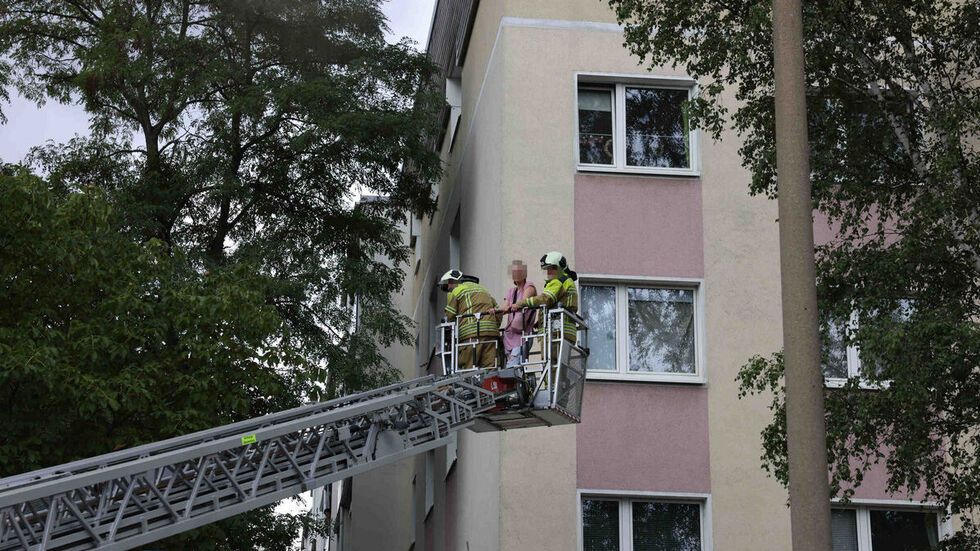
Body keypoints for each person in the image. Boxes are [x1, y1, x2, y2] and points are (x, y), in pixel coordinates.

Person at [439, 269, 501, 370]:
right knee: (491, 370)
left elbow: (450, 316)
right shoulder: (484, 290)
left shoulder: (456, 291)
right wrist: (495, 326)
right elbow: (499, 311)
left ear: (451, 281)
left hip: (470, 335)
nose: (448, 289)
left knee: (468, 370)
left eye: (447, 286)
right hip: (491, 334)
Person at [501, 260, 537, 366]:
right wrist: (494, 311)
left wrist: (514, 306)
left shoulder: (529, 286)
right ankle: (528, 381)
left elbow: (524, 301)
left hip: (523, 334)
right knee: (512, 367)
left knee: (512, 366)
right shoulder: (511, 291)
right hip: (510, 334)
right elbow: (503, 308)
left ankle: (528, 381)